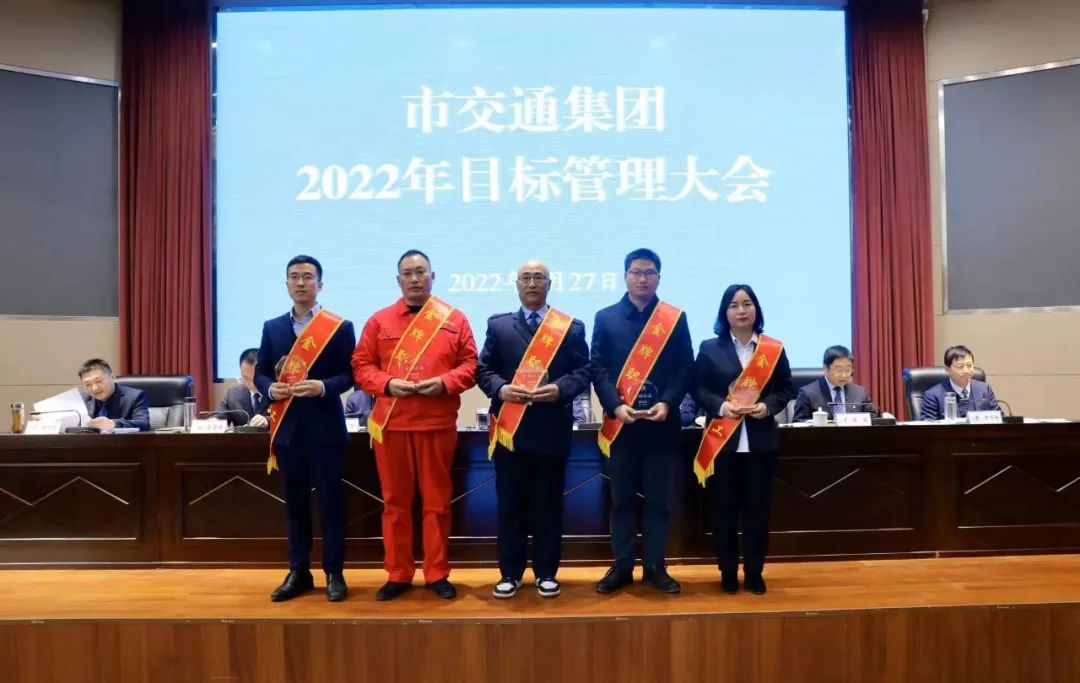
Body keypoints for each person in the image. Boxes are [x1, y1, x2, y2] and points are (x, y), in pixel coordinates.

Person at [352, 249, 478, 601]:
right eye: (407, 273)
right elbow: (361, 366)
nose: (414, 278)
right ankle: (398, 573)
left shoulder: (454, 319)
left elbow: (470, 366)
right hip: (392, 425)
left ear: (432, 276)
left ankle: (437, 572)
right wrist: (388, 384)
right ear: (398, 280)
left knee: (437, 503)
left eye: (421, 272)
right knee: (395, 503)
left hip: (436, 423)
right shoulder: (379, 321)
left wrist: (445, 383)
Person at [477, 259, 591, 599]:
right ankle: (509, 574)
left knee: (548, 505)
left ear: (549, 284)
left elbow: (583, 371)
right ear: (516, 284)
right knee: (510, 505)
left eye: (538, 277)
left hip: (551, 430)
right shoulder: (499, 326)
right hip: (509, 433)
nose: (531, 283)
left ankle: (546, 573)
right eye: (525, 278)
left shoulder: (570, 327)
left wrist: (559, 389)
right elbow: (482, 370)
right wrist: (501, 389)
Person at [591, 248, 693, 594]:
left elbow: (685, 366)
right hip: (622, 426)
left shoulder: (673, 319)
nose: (642, 278)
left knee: (658, 501)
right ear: (625, 277)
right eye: (636, 272)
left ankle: (655, 566)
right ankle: (622, 566)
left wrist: (668, 402)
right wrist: (615, 406)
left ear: (658, 278)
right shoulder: (605, 318)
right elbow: (598, 367)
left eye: (649, 272)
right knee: (621, 500)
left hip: (661, 426)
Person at [255, 255, 356, 603]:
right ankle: (299, 571)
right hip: (288, 429)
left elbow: (350, 375)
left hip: (326, 427)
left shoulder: (339, 327)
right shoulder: (272, 327)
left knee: (330, 503)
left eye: (308, 277)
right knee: (295, 504)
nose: (301, 283)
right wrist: (270, 389)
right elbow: (261, 372)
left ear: (320, 284)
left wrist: (322, 387)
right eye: (295, 277)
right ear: (286, 284)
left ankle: (334, 572)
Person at [692, 284, 793, 595]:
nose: (741, 310)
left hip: (760, 444)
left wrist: (768, 407)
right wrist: (723, 407)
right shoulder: (710, 348)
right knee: (723, 511)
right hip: (723, 444)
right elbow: (698, 389)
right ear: (725, 313)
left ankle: (754, 571)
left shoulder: (772, 349)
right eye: (734, 305)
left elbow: (785, 388)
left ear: (756, 309)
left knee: (757, 512)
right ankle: (727, 571)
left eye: (747, 304)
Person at [792, 345, 877, 421]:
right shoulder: (808, 393)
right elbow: (798, 423)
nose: (844, 375)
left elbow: (873, 419)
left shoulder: (860, 392)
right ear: (825, 368)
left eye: (848, 370)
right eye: (839, 370)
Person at [919, 345, 999, 420]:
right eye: (960, 366)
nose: (966, 371)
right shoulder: (933, 396)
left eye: (969, 366)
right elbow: (928, 427)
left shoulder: (984, 389)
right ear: (947, 369)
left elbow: (999, 419)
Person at [78, 359, 150, 432]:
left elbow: (144, 424)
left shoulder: (135, 396)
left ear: (112, 377)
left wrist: (114, 423)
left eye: (98, 381)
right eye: (88, 384)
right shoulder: (81, 400)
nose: (94, 388)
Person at [218, 348, 269, 427]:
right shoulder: (232, 395)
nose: (252, 384)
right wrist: (212, 423)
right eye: (246, 378)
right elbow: (219, 420)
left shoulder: (280, 393)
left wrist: (268, 420)